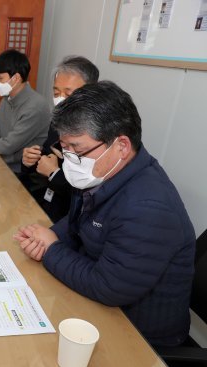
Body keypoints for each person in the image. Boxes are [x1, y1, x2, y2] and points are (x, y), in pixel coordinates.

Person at [14, 81, 195, 347]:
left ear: (121, 145)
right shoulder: (102, 171)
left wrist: (51, 250)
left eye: (77, 149)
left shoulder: (148, 207)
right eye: (65, 149)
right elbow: (77, 223)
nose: (70, 158)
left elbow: (107, 286)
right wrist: (49, 236)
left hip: (141, 340)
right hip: (100, 310)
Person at [20, 56, 99, 222]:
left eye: (68, 93)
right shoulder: (58, 121)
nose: (60, 99)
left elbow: (91, 193)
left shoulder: (97, 134)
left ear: (91, 93)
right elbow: (50, 156)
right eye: (56, 93)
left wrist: (54, 174)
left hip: (72, 220)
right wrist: (31, 160)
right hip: (47, 205)